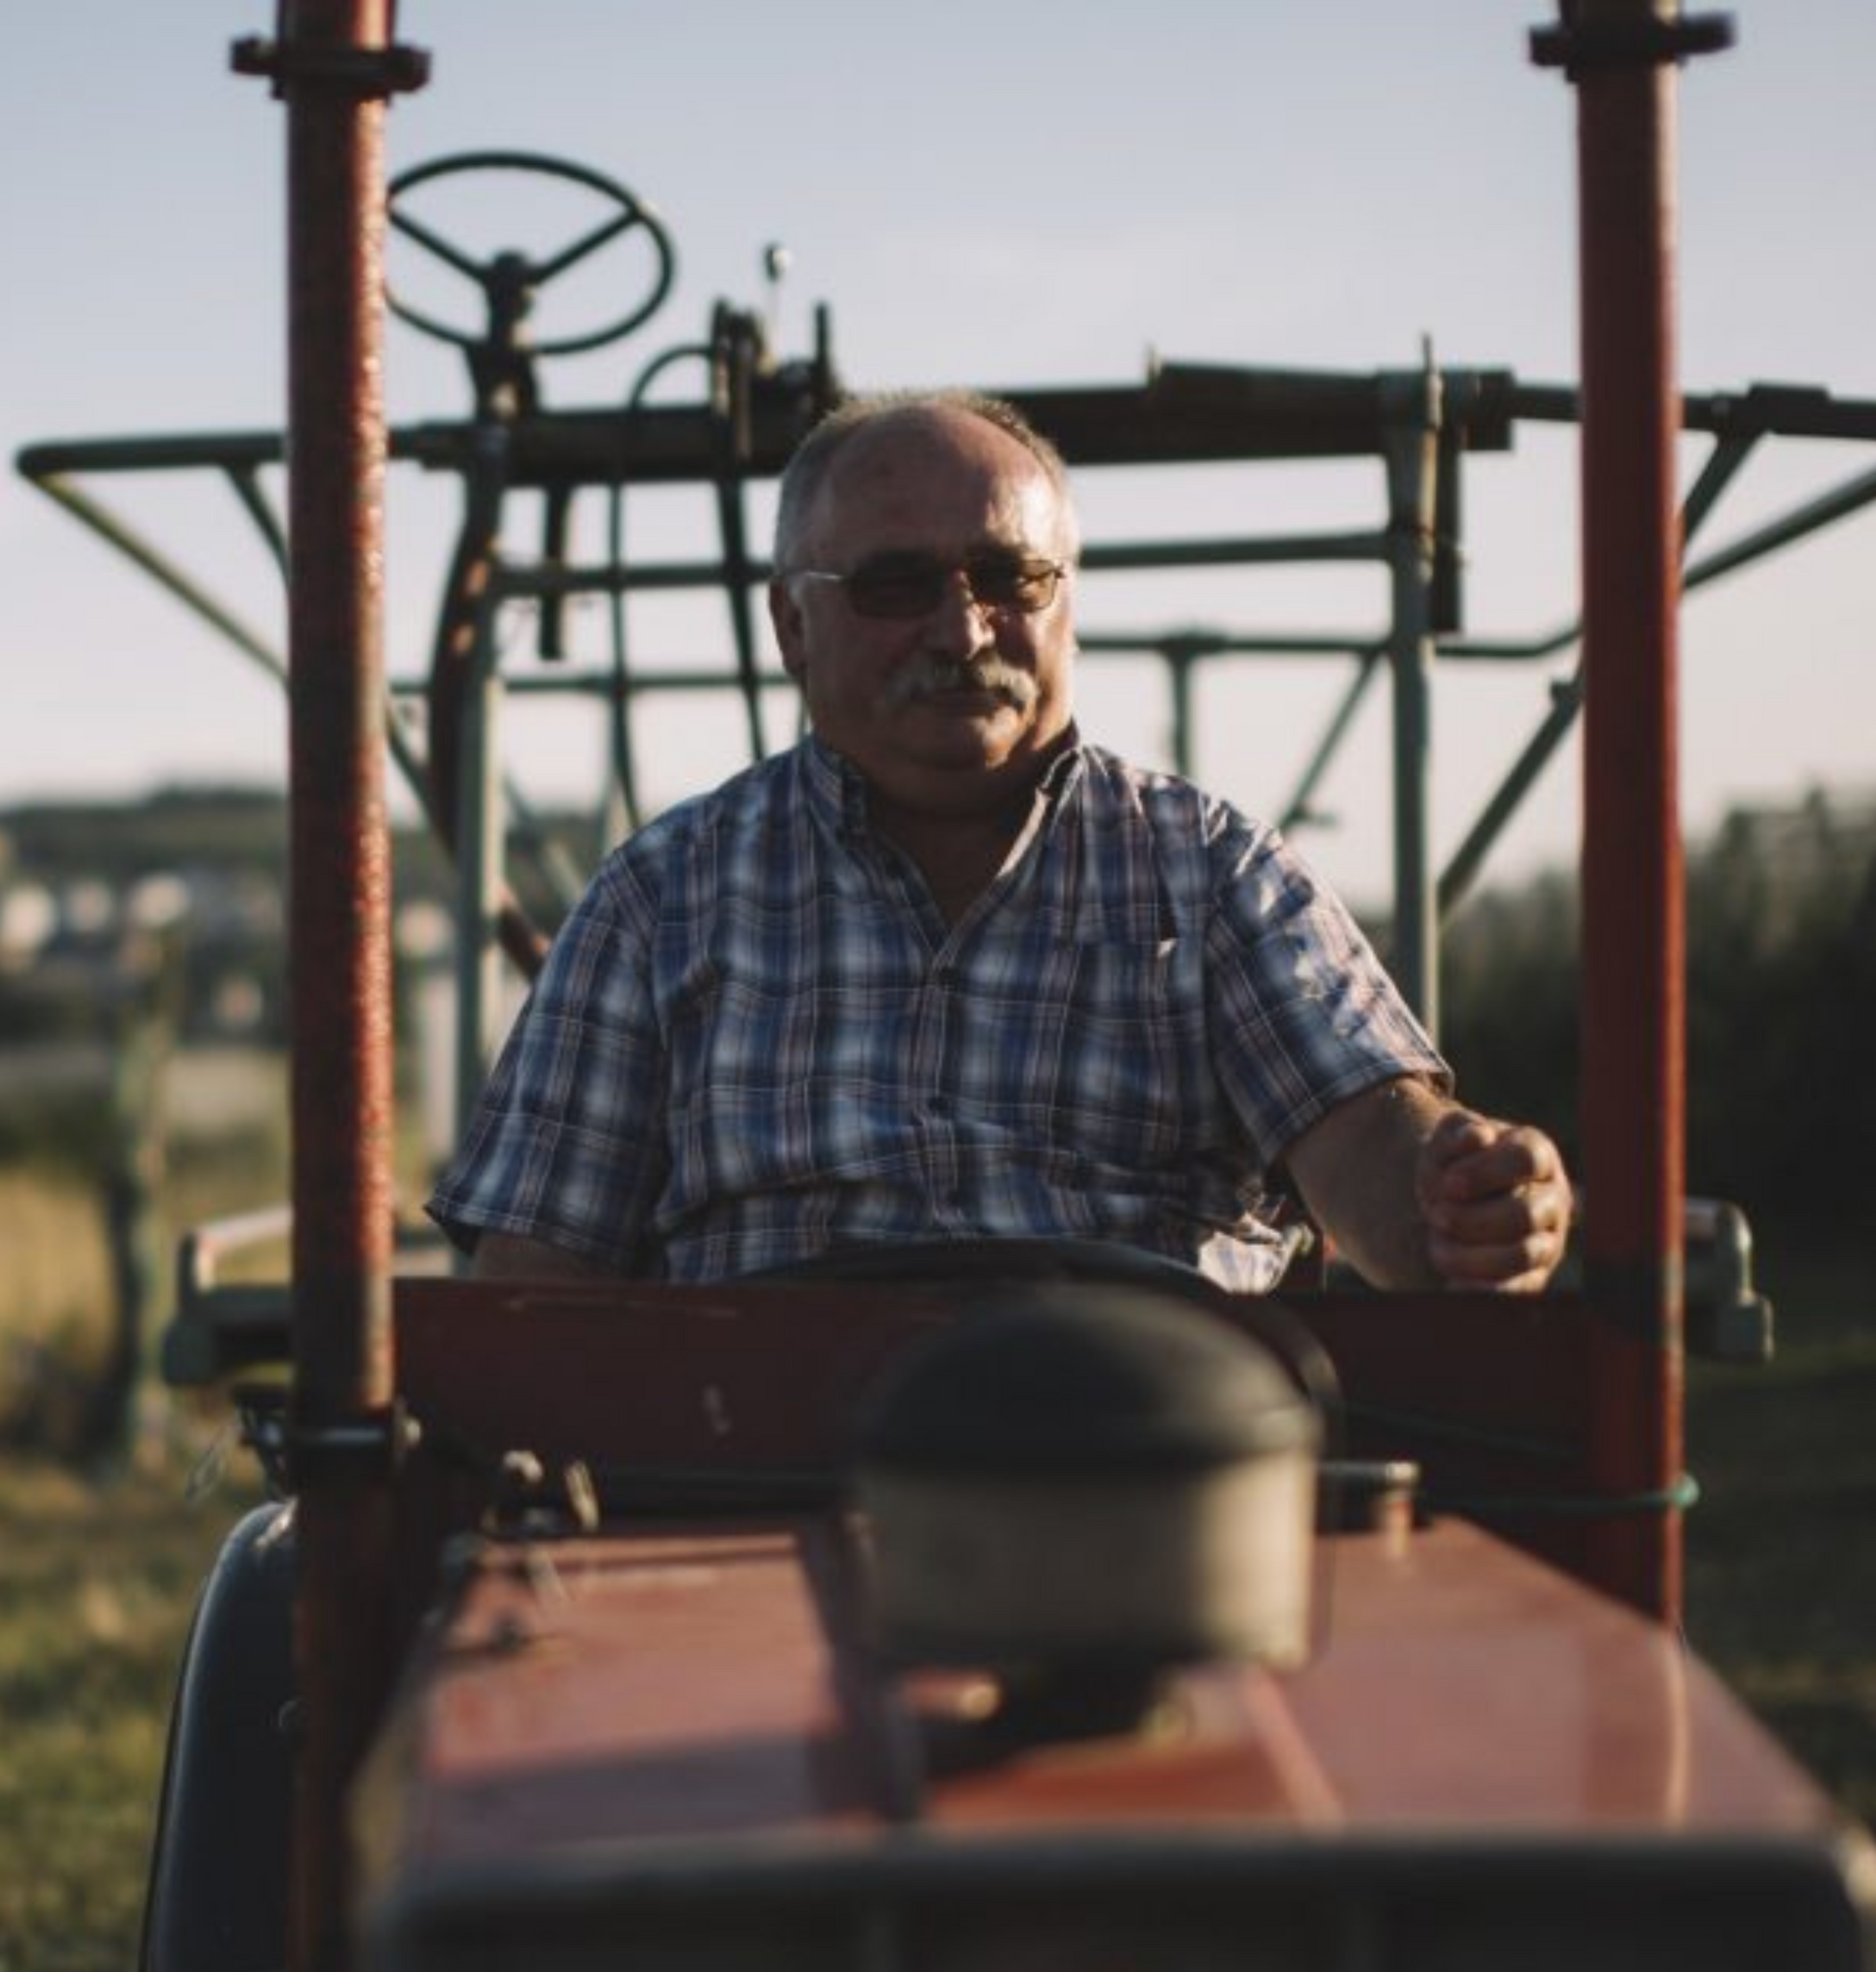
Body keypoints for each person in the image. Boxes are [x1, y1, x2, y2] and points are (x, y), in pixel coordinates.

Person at [429, 390, 1570, 1295]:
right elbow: (536, 1292)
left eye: (1009, 577)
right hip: (758, 1475)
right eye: (895, 585)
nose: (964, 629)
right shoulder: (659, 899)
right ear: (791, 624)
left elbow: (1382, 1162)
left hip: (1150, 1468)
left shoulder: (1218, 876)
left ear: (1066, 601)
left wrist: (1470, 1200)